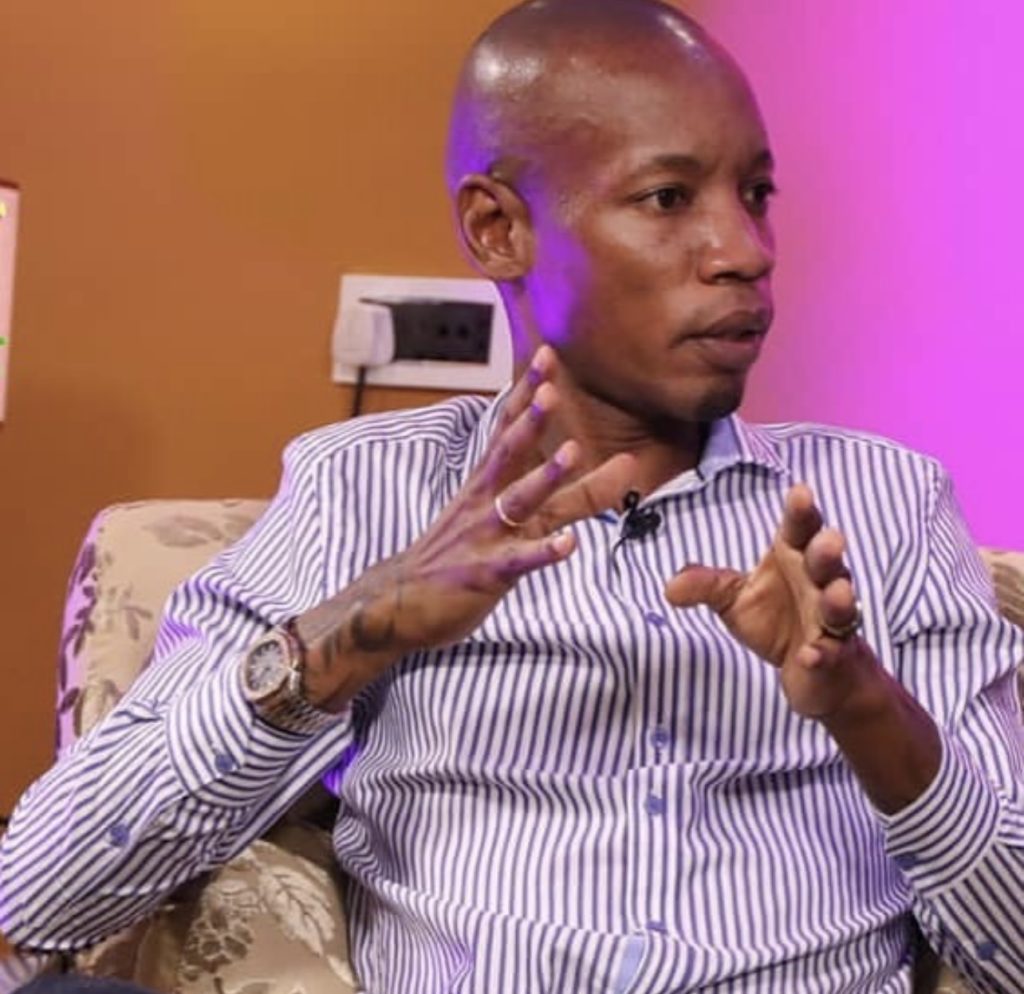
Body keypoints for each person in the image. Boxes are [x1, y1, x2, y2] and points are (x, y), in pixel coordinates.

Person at [2, 1, 1023, 991]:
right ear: (497, 229)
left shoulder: (884, 505)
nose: (745, 252)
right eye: (668, 198)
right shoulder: (365, 489)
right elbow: (34, 897)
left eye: (755, 193)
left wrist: (869, 712)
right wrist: (355, 631)